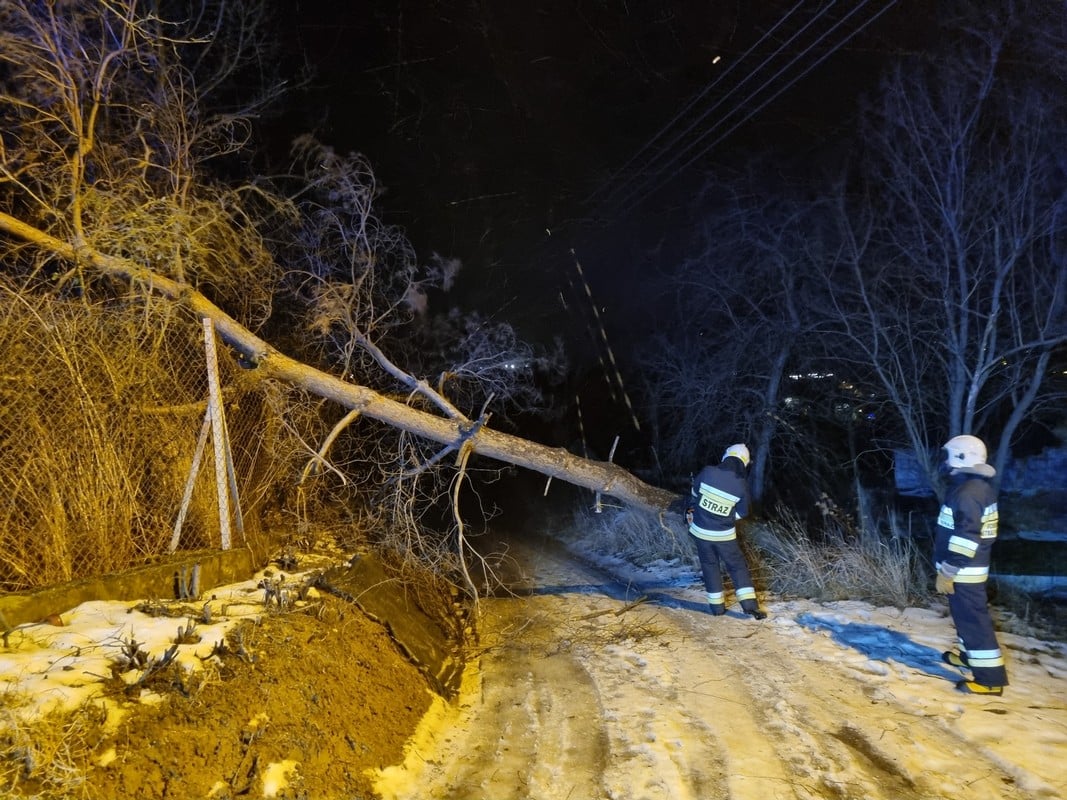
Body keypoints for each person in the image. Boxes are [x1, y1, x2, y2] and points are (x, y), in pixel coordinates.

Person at [934, 434, 1008, 696]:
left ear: (961, 457)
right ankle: (969, 657)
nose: (944, 461)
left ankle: (990, 680)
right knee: (966, 619)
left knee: (974, 622)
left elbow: (967, 537)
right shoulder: (974, 486)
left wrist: (949, 570)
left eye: (948, 455)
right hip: (967, 569)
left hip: (963, 571)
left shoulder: (968, 492)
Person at [685, 444, 767, 619]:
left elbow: (694, 493)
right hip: (724, 536)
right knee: (737, 567)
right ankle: (750, 607)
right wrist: (726, 517)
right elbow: (743, 513)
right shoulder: (741, 485)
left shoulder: (707, 472)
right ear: (743, 464)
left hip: (700, 532)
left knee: (709, 566)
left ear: (726, 456)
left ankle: (717, 608)